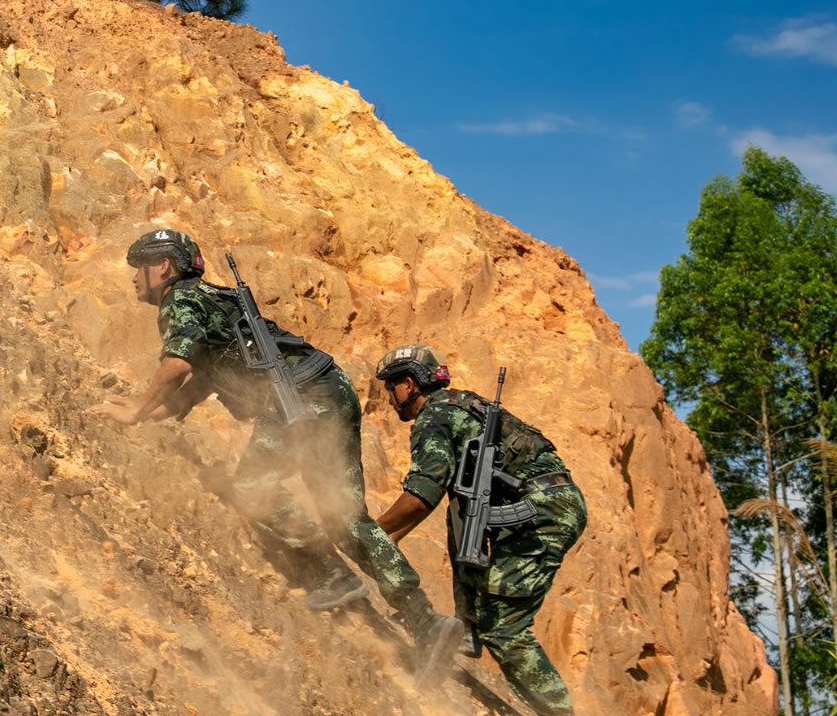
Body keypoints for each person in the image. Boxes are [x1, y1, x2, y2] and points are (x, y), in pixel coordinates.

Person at [89, 230, 462, 672]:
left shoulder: (181, 299)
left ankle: (331, 573)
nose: (134, 278)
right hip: (328, 386)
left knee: (252, 486)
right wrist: (144, 414)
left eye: (140, 267)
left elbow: (177, 365)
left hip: (296, 397)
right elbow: (193, 389)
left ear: (164, 268)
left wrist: (135, 409)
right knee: (344, 514)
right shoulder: (216, 301)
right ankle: (425, 622)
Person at [372, 345, 588, 715]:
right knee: (464, 514)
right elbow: (461, 510)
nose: (390, 398)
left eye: (391, 388)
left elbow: (421, 495)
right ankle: (467, 628)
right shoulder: (462, 406)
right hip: (546, 502)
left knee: (504, 629)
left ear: (408, 384)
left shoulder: (436, 418)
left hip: (543, 509)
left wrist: (370, 533)